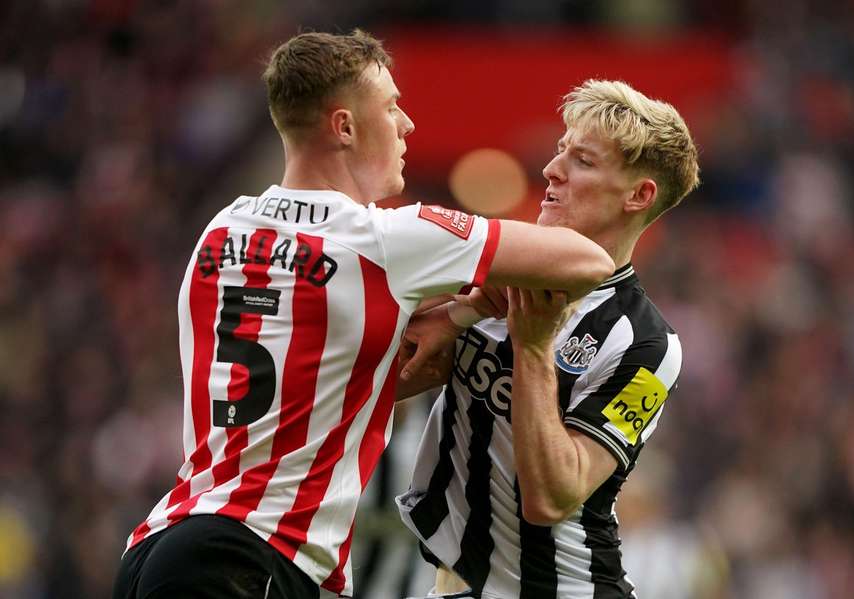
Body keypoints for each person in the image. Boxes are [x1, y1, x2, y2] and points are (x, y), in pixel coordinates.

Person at [112, 30, 614, 599]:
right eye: (392, 107)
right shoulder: (382, 239)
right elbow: (587, 261)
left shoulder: (223, 228)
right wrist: (479, 295)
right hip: (250, 553)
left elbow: (321, 375)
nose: (407, 125)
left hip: (165, 541)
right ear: (345, 127)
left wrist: (460, 311)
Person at [396, 79, 700, 598]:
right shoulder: (492, 274)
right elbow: (385, 383)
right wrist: (458, 313)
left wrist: (534, 349)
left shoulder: (648, 345)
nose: (552, 170)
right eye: (561, 150)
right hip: (454, 584)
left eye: (582, 161)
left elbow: (552, 498)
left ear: (638, 195)